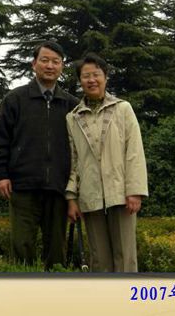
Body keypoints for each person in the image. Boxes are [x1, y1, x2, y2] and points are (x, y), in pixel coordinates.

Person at [0, 41, 79, 269]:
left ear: (62, 66)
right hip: (22, 187)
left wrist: (75, 190)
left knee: (56, 253)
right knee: (21, 247)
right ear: (34, 64)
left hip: (58, 189)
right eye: (45, 60)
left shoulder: (72, 105)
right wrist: (0, 175)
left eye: (56, 62)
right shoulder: (15, 99)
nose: (50, 66)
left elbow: (80, 151)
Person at [65, 53, 148, 272]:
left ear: (106, 77)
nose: (91, 80)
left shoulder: (123, 109)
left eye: (96, 74)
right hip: (90, 195)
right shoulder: (73, 118)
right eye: (86, 76)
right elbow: (73, 159)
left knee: (125, 257)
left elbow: (134, 152)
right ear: (80, 80)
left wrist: (135, 191)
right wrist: (71, 197)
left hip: (121, 194)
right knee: (99, 259)